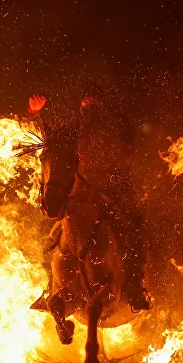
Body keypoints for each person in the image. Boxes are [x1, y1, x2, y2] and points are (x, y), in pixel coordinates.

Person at [26, 89, 151, 312]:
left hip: (113, 192)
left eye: (92, 105)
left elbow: (125, 155)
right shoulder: (75, 133)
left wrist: (107, 183)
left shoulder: (115, 130)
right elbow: (49, 139)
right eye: (85, 106)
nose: (88, 111)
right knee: (53, 238)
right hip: (80, 197)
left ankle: (135, 287)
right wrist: (34, 113)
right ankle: (51, 288)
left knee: (134, 229)